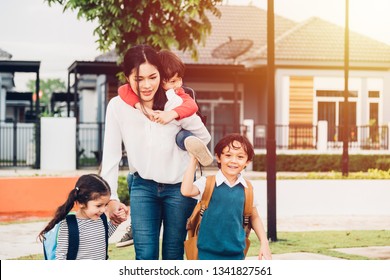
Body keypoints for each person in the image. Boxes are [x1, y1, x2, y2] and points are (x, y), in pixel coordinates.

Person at [100, 44, 211, 260]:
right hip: (143, 187)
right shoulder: (117, 106)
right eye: (138, 79)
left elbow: (204, 138)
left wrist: (177, 118)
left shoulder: (176, 103)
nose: (147, 85)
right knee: (145, 256)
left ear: (161, 74)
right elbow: (111, 155)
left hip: (179, 189)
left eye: (153, 77)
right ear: (127, 77)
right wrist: (111, 198)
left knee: (173, 254)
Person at [181, 133, 272, 260]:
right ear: (218, 157)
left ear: (247, 162)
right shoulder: (207, 182)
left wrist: (264, 242)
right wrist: (193, 160)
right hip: (206, 253)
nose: (233, 161)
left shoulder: (248, 189)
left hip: (236, 254)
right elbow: (186, 190)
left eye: (240, 157)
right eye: (228, 155)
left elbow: (254, 217)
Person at [38, 174, 125, 260]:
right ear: (81, 203)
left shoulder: (100, 219)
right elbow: (61, 255)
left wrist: (114, 223)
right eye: (98, 206)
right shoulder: (69, 225)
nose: (103, 210)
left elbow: (102, 236)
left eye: (105, 205)